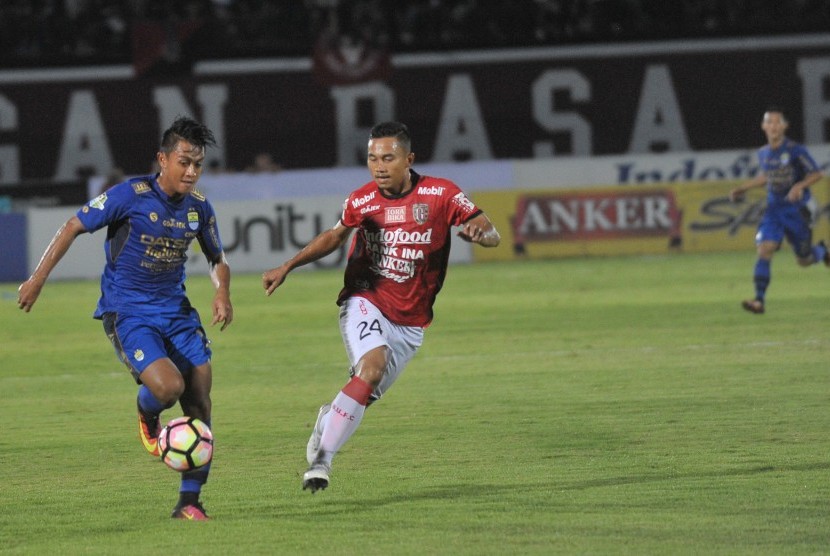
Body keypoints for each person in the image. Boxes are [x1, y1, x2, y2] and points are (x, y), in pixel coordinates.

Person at [261, 121, 501, 493]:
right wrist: (288, 265)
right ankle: (322, 461)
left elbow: (489, 230)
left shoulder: (441, 193)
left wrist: (480, 235)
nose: (379, 166)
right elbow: (334, 236)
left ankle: (330, 417)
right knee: (371, 367)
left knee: (364, 390)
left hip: (411, 321)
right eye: (372, 158)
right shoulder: (362, 200)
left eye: (388, 157)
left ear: (409, 159)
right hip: (365, 298)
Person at [17, 116, 233, 520]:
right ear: (162, 159)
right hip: (129, 311)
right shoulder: (128, 195)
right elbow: (72, 226)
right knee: (168, 387)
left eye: (198, 165)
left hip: (177, 312)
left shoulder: (199, 208)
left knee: (200, 401)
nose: (191, 172)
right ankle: (148, 413)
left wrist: (222, 290)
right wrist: (37, 279)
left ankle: (190, 502)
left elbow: (216, 257)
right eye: (184, 162)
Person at [729, 108, 827, 314]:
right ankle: (759, 300)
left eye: (777, 122)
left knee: (804, 260)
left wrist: (799, 186)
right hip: (774, 210)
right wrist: (743, 188)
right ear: (764, 127)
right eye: (769, 122)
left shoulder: (795, 150)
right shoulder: (763, 153)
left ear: (784, 126)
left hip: (797, 211)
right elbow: (768, 176)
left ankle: (823, 251)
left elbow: (817, 173)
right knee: (764, 249)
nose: (773, 126)